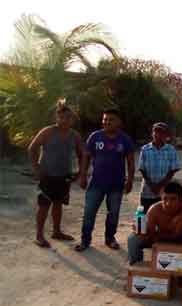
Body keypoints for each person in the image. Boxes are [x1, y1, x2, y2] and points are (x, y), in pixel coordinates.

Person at [75, 109, 135, 251]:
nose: (107, 122)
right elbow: (86, 157)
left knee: (113, 213)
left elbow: (131, 162)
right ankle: (85, 241)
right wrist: (82, 175)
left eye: (111, 119)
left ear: (119, 122)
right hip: (96, 183)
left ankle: (110, 239)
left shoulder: (125, 140)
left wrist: (130, 180)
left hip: (116, 184)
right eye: (105, 119)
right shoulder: (95, 137)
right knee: (89, 212)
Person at [28, 100, 84, 248]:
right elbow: (32, 148)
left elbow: (82, 154)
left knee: (58, 203)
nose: (65, 120)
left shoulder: (74, 135)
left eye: (68, 117)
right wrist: (36, 168)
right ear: (57, 117)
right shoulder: (47, 131)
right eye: (62, 117)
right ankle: (39, 235)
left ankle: (57, 231)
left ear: (72, 119)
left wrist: (80, 172)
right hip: (47, 175)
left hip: (64, 176)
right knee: (44, 205)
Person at [127, 182, 182, 265]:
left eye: (173, 199)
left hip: (181, 243)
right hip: (159, 239)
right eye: (165, 199)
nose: (168, 203)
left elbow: (178, 236)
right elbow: (149, 234)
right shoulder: (154, 210)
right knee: (133, 238)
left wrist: (156, 235)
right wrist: (141, 230)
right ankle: (136, 269)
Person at [138, 122, 181, 212]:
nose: (158, 135)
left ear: (166, 135)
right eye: (156, 132)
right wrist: (151, 185)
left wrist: (160, 185)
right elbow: (142, 169)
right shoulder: (145, 149)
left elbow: (173, 170)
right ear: (152, 134)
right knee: (146, 217)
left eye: (162, 132)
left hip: (164, 193)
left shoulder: (171, 150)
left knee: (163, 217)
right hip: (147, 191)